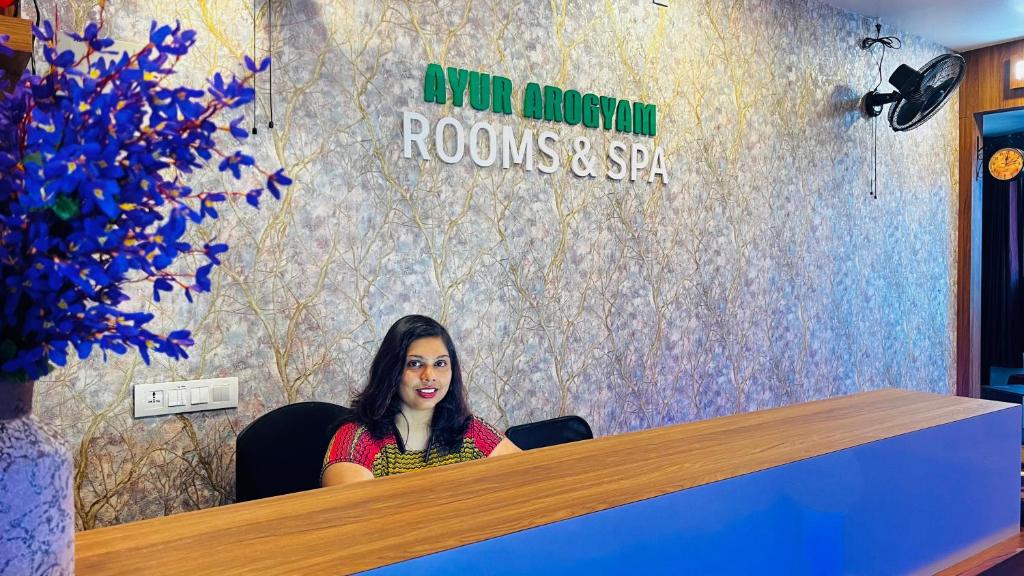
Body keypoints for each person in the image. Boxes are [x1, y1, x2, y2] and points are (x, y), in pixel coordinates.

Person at [321, 315, 520, 487]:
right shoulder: (357, 441)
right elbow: (355, 519)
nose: (429, 375)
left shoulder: (469, 430)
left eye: (440, 363)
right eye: (415, 364)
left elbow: (530, 474)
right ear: (391, 370)